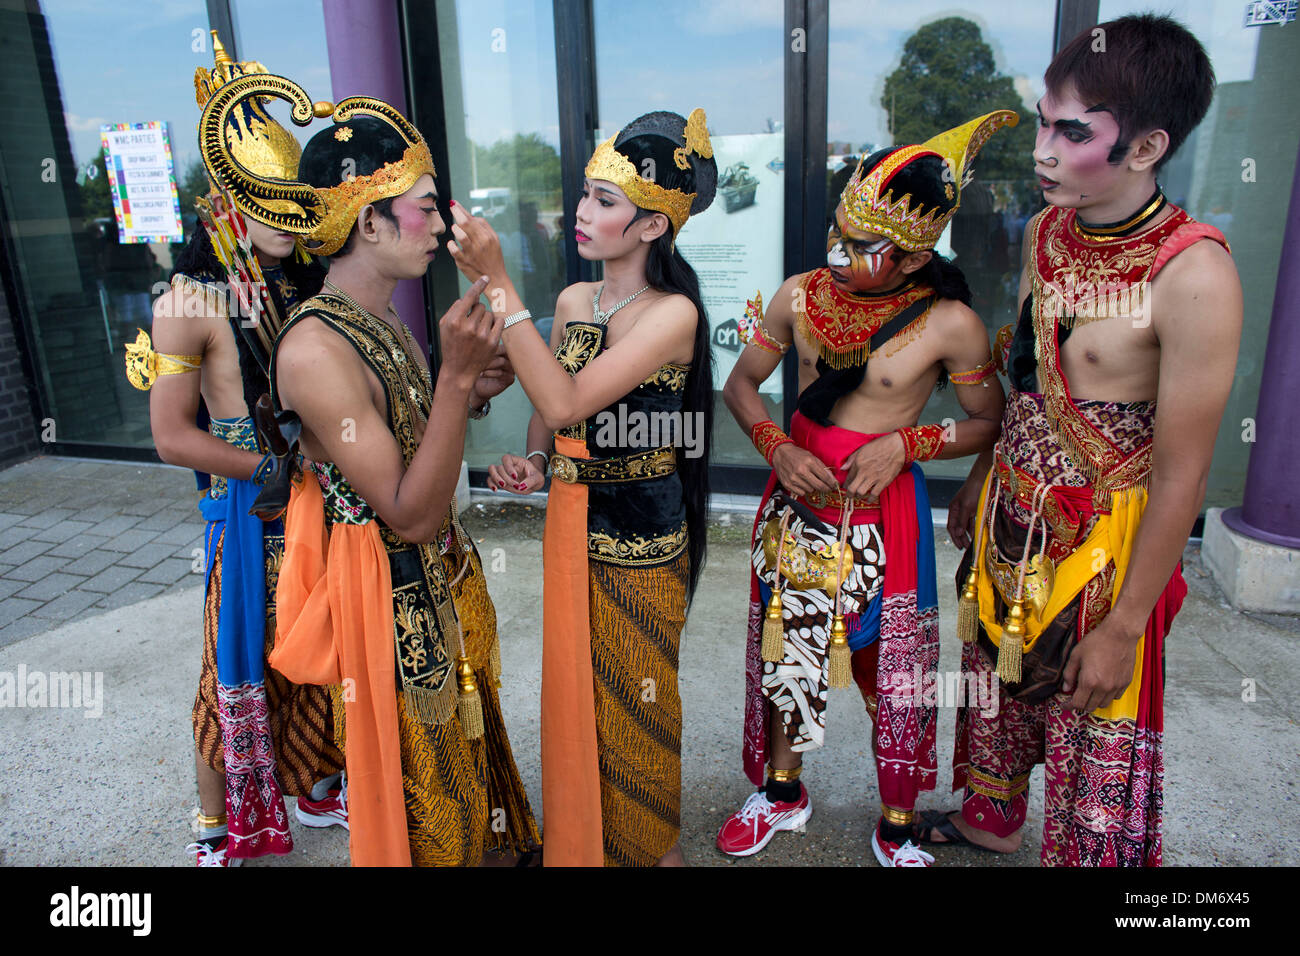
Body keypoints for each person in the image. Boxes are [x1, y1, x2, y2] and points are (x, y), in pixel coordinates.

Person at [918, 14, 1241, 866]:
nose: (1043, 151)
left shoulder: (1194, 273)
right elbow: (1024, 373)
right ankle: (991, 819)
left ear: (1146, 146)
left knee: (1092, 708)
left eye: (1073, 131)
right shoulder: (1046, 232)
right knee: (994, 680)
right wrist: (983, 479)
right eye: (1040, 121)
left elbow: (1183, 473)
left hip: (1105, 545)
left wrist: (1127, 624)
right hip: (1012, 516)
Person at [198, 71, 539, 866]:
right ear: (369, 221)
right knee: (425, 787)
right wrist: (454, 378)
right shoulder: (315, 347)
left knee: (467, 752)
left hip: (438, 575)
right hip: (385, 589)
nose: (443, 221)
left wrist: (469, 389)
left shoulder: (379, 311)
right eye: (425, 204)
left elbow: (415, 436)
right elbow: (408, 509)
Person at [715, 111, 1016, 866]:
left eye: (865, 246)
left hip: (888, 514)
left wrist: (909, 442)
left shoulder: (950, 324)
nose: (841, 257)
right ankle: (782, 793)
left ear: (916, 259)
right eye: (838, 235)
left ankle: (898, 818)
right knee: (788, 648)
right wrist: (775, 446)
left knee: (895, 667)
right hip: (798, 503)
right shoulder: (796, 295)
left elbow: (990, 422)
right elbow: (741, 385)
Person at [447, 109, 717, 867]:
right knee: (577, 698)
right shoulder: (572, 300)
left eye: (605, 200)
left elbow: (569, 400)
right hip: (570, 516)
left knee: (636, 700)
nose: (583, 211)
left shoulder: (672, 316)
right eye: (586, 195)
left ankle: (649, 851)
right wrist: (533, 462)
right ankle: (588, 840)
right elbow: (553, 411)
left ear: (653, 227)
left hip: (639, 538)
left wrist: (498, 285)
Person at [126, 36, 343, 867]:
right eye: (271, 206)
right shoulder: (188, 299)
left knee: (323, 645)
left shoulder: (304, 279)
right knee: (237, 665)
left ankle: (320, 785)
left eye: (298, 205)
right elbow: (170, 436)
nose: (292, 222)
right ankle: (216, 830)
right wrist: (268, 469)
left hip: (318, 491)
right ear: (226, 201)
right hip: (247, 506)